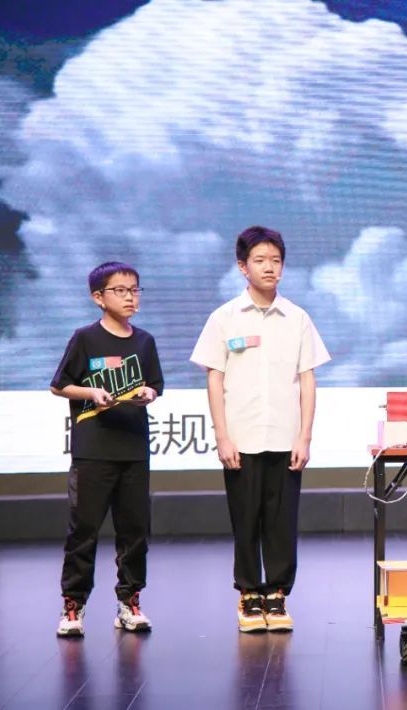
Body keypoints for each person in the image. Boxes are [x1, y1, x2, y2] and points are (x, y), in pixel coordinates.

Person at [190, 226, 330, 632]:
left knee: (282, 521)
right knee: (246, 519)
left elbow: (307, 379)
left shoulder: (297, 318)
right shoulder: (224, 318)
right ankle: (249, 594)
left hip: (286, 438)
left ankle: (277, 595)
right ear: (242, 267)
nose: (269, 268)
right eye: (260, 260)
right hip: (242, 437)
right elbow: (215, 378)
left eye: (276, 260)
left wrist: (304, 436)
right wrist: (222, 436)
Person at [51, 261, 164, 637]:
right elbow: (59, 385)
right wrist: (91, 392)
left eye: (135, 289)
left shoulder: (144, 341)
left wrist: (148, 392)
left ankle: (129, 602)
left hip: (134, 449)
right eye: (120, 290)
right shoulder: (85, 338)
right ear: (98, 298)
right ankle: (73, 605)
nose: (130, 297)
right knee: (83, 531)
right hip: (93, 450)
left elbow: (155, 384)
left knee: (135, 531)